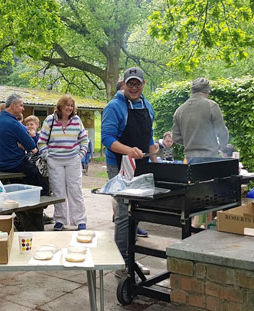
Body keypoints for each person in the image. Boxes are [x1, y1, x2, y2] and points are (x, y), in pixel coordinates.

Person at [102, 67, 158, 276]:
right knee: (124, 214)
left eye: (138, 83)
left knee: (136, 213)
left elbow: (149, 139)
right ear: (124, 84)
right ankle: (121, 263)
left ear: (143, 85)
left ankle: (131, 260)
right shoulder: (114, 107)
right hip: (119, 166)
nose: (134, 87)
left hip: (141, 166)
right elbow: (107, 139)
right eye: (130, 83)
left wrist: (155, 160)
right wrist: (128, 151)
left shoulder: (148, 106)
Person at [0, 94, 48, 231]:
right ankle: (37, 214)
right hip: (15, 164)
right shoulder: (13, 123)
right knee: (43, 183)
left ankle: (25, 217)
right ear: (13, 105)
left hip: (0, 163)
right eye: (21, 105)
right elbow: (31, 145)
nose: (23, 109)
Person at [38, 95, 89, 231]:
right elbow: (41, 141)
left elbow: (84, 140)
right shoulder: (50, 120)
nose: (69, 108)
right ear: (60, 106)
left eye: (72, 106)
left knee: (75, 190)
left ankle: (80, 221)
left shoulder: (77, 120)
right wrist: (47, 156)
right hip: (55, 161)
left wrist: (80, 155)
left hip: (73, 159)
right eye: (67, 105)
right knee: (58, 191)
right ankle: (60, 220)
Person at [172, 77, 229, 164]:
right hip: (209, 156)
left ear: (192, 91)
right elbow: (221, 131)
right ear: (207, 91)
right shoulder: (211, 106)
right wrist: (221, 145)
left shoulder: (179, 110)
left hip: (190, 157)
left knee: (194, 178)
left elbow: (175, 137)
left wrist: (190, 142)